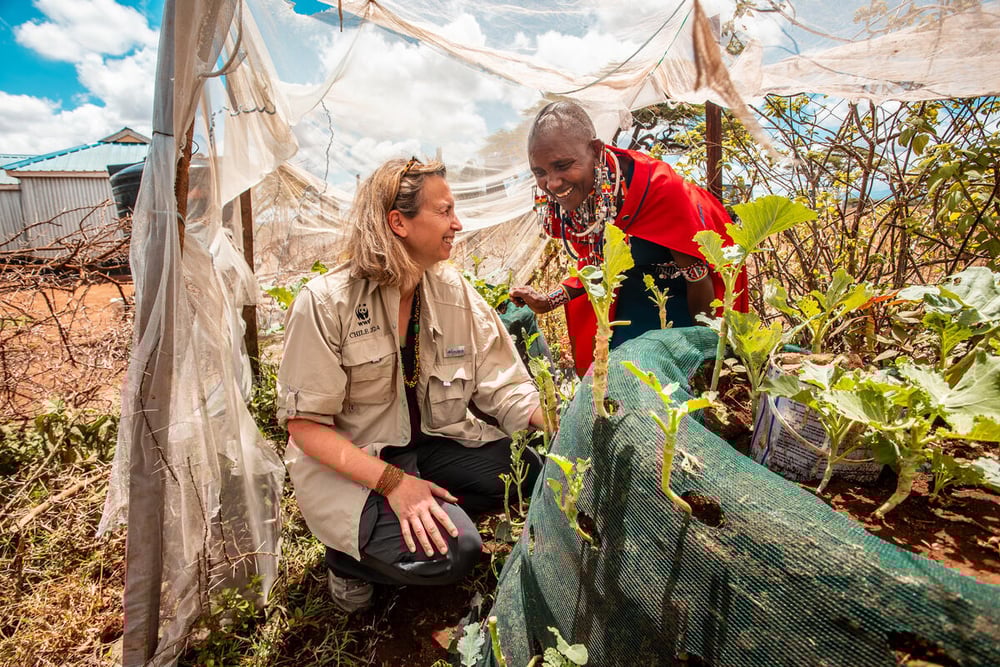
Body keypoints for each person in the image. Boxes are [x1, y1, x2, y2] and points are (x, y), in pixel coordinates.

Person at [277, 157, 545, 612]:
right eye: (444, 211)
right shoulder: (325, 303)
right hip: (359, 466)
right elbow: (305, 428)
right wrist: (394, 483)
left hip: (432, 444)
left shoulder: (453, 289)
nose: (457, 224)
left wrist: (561, 419)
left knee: (530, 473)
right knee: (458, 553)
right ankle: (346, 559)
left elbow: (502, 382)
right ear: (398, 222)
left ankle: (424, 509)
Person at [510, 101, 748, 377]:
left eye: (562, 165)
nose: (552, 183)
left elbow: (699, 279)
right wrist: (550, 300)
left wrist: (703, 358)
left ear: (597, 151)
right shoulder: (578, 200)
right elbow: (599, 268)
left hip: (688, 303)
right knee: (621, 377)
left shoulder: (662, 192)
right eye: (540, 172)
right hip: (633, 296)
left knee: (674, 381)